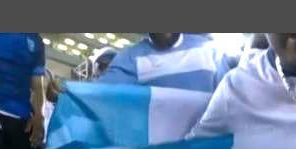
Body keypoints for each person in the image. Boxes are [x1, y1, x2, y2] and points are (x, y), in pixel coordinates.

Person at [98, 33, 235, 93]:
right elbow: (101, 95)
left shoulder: (211, 52)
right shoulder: (130, 59)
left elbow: (229, 98)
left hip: (207, 141)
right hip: (159, 144)